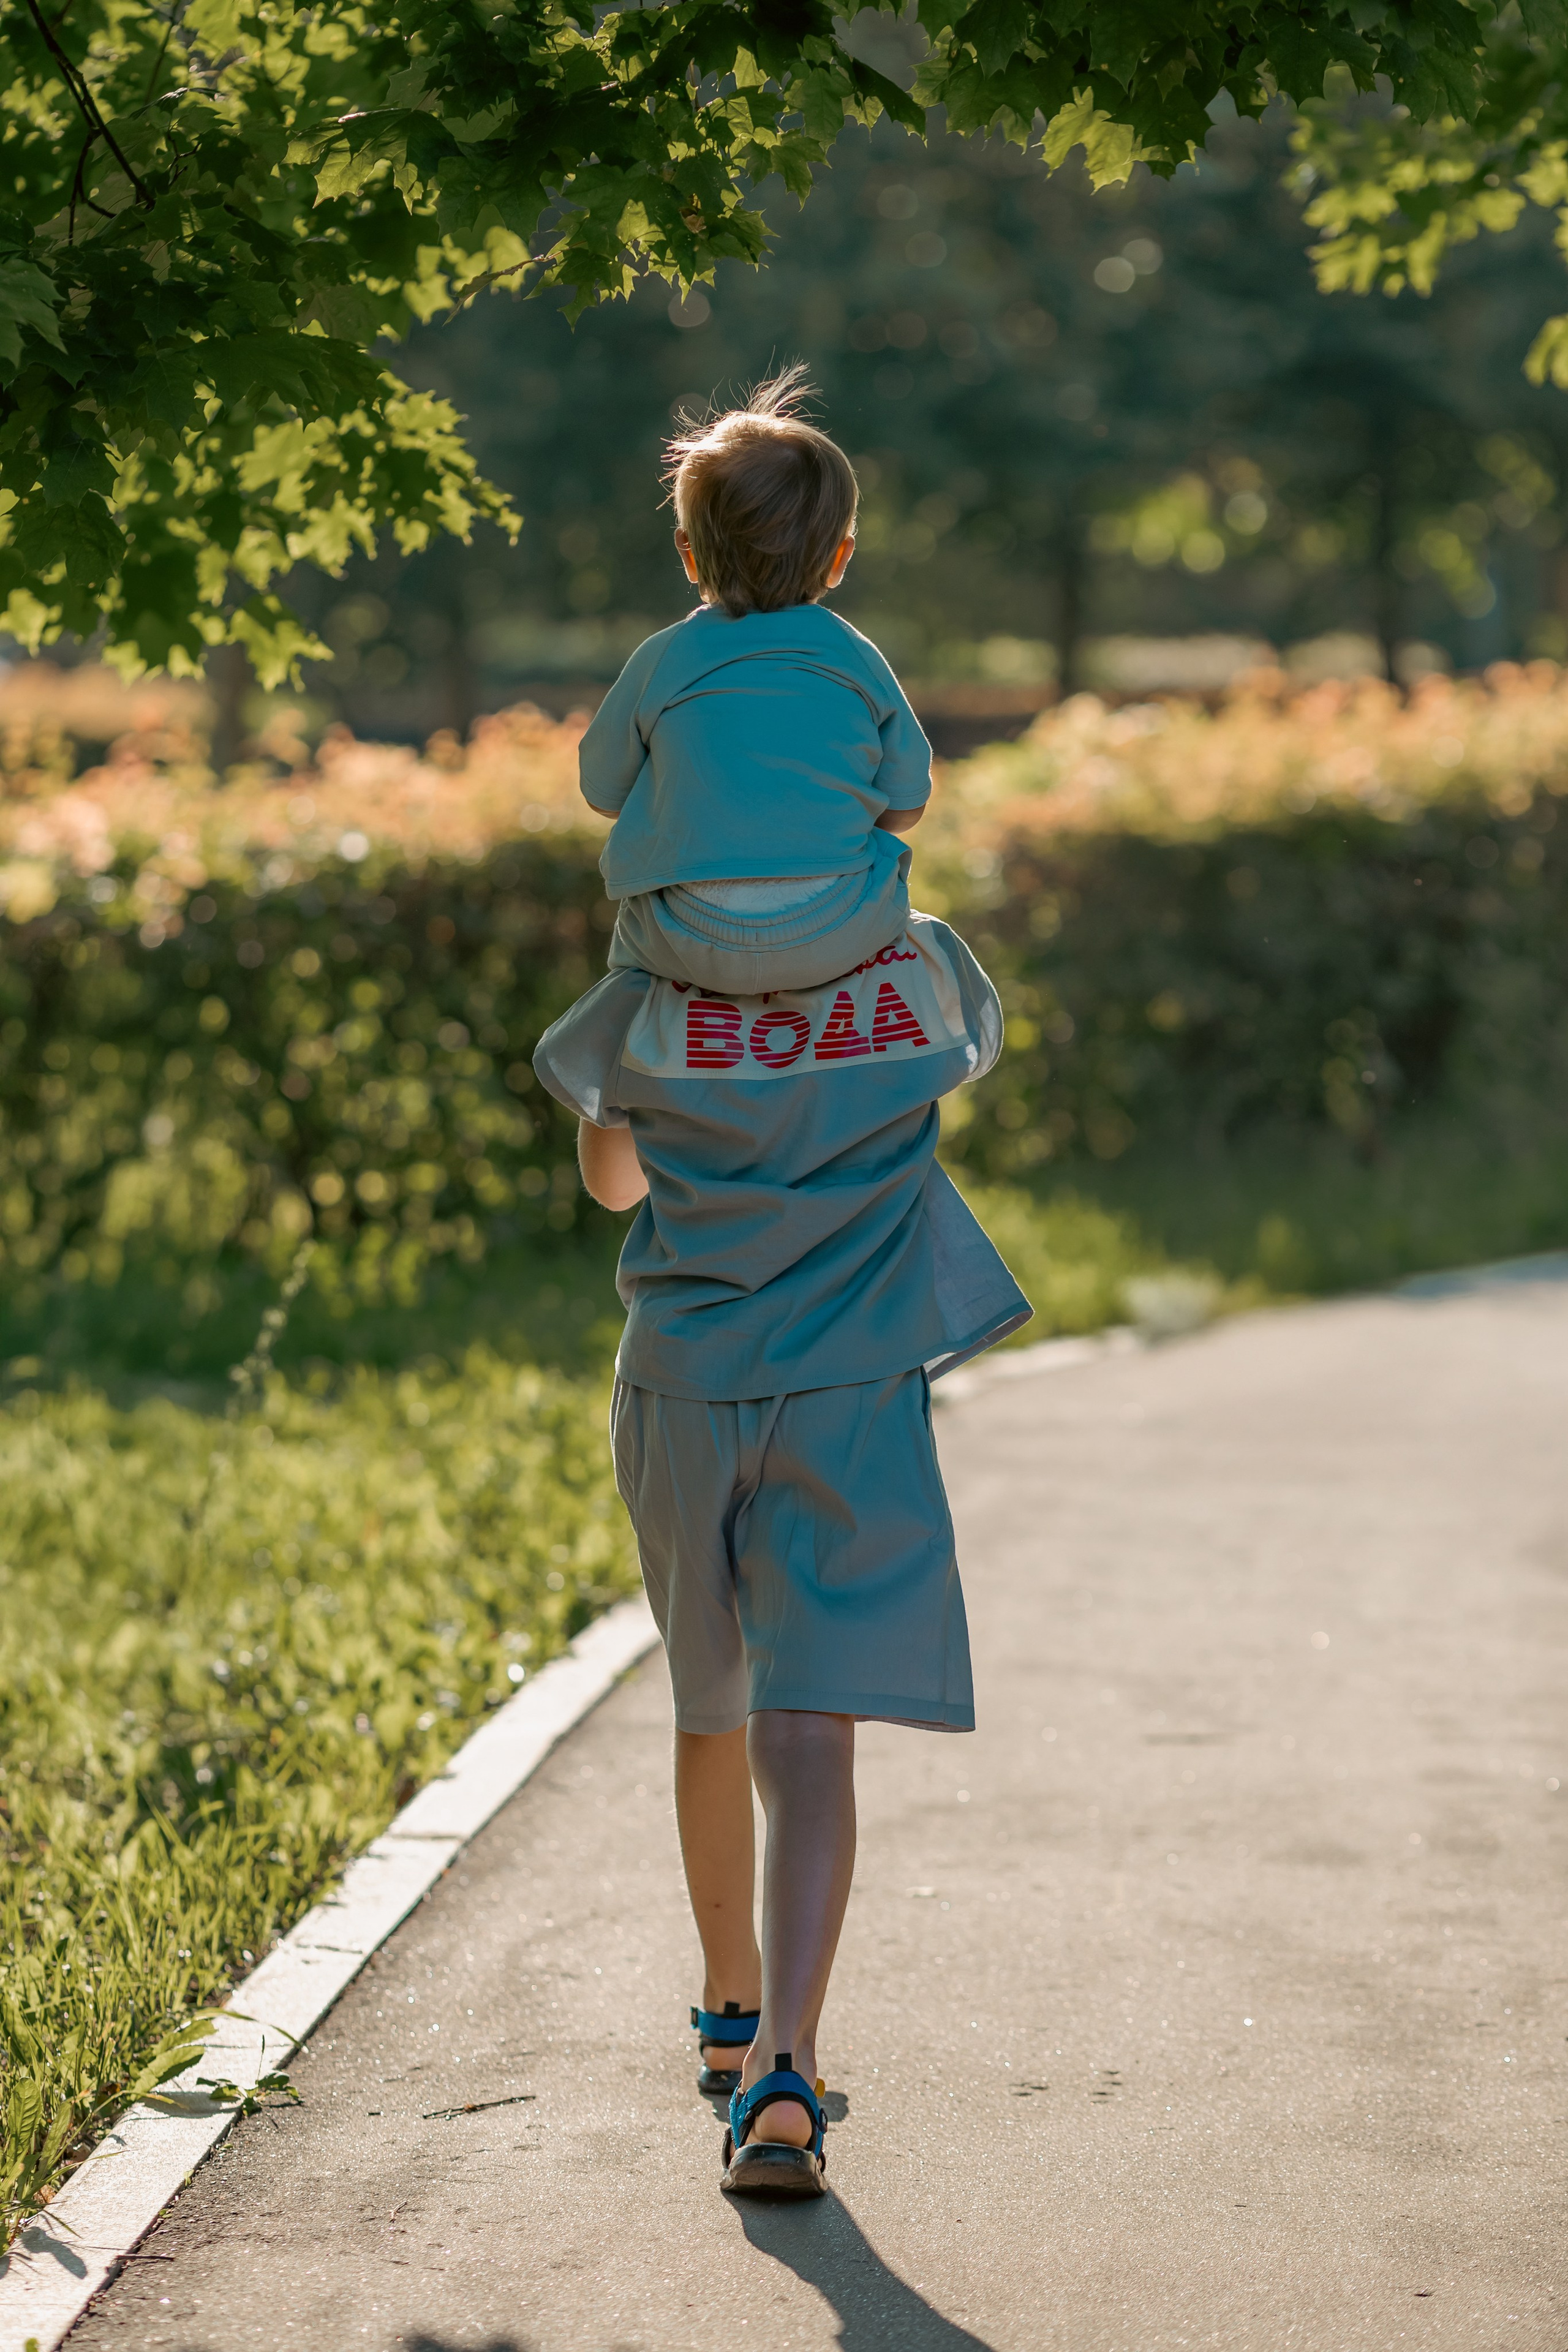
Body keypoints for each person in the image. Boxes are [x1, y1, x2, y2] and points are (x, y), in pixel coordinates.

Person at [532, 916, 1031, 2198]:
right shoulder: (919, 966)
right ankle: (785, 2074)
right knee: (809, 1726)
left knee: (713, 1702)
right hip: (852, 1388)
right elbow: (946, 1077)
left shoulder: (646, 991)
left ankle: (728, 2001)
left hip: (683, 1384)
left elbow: (613, 1183)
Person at [576, 366, 932, 1000]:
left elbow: (602, 792)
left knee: (634, 923)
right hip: (839, 930)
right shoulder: (855, 657)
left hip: (687, 939)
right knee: (894, 884)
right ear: (840, 557)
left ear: (688, 552)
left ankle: (630, 1037)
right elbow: (906, 806)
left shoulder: (663, 658)